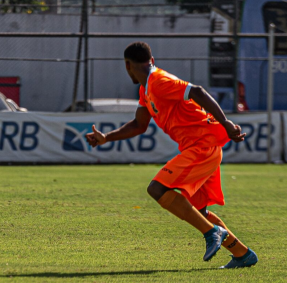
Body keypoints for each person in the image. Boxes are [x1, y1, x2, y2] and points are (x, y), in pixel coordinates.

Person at [85, 42, 258, 268]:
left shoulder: (159, 82)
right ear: (152, 60)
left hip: (202, 145)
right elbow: (139, 124)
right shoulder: (146, 89)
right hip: (200, 147)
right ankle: (242, 254)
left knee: (157, 188)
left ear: (127, 65)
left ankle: (212, 232)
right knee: (200, 211)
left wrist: (225, 123)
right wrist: (107, 137)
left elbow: (197, 91)